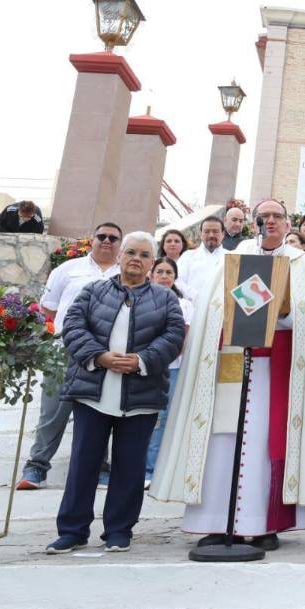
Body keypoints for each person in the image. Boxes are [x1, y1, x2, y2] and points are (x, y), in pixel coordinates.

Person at [150, 199, 305, 551]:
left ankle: (263, 524)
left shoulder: (301, 263)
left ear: (287, 221)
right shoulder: (230, 260)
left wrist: (280, 311)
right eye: (263, 217)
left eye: (277, 217)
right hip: (232, 362)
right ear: (254, 224)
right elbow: (212, 307)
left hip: (276, 367)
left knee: (266, 441)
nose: (270, 222)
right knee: (222, 441)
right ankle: (217, 523)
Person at [45, 232, 185, 554]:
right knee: (83, 463)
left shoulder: (166, 300)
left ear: (152, 262)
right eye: (131, 252)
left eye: (144, 255)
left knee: (130, 467)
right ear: (120, 256)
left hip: (140, 396)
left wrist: (141, 360)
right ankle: (72, 530)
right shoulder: (92, 291)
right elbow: (74, 327)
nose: (136, 258)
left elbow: (174, 336)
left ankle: (119, 530)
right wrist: (99, 356)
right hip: (93, 392)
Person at [17, 222, 121, 490]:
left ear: (120, 244)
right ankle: (37, 466)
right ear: (92, 239)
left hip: (106, 353)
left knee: (101, 410)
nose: (107, 241)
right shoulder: (67, 269)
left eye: (113, 238)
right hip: (66, 348)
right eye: (102, 236)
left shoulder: (124, 273)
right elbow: (48, 310)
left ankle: (100, 466)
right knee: (53, 410)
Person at [144, 256, 194, 484]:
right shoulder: (139, 298)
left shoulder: (184, 304)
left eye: (169, 273)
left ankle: (152, 470)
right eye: (160, 272)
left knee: (161, 419)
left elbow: (183, 338)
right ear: (151, 274)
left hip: (170, 368)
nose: (164, 277)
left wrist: (159, 359)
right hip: (139, 366)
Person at [176, 216, 225, 294]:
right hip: (192, 304)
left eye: (215, 231)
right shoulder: (188, 256)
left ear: (223, 234)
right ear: (200, 234)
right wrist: (195, 296)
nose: (211, 235)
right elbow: (178, 281)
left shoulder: (231, 256)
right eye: (207, 231)